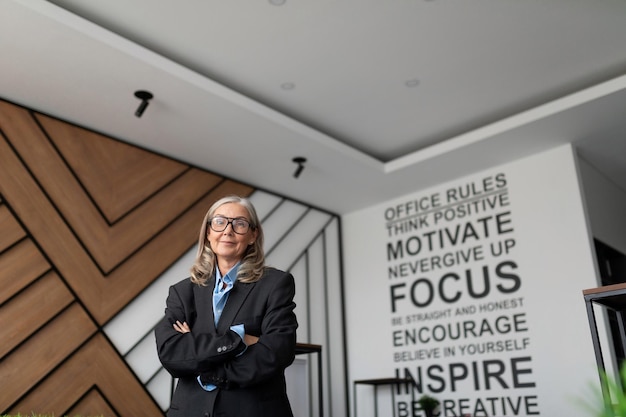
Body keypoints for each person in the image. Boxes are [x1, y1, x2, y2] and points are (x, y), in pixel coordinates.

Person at [155, 195, 298, 417]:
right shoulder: (182, 292)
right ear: (208, 232)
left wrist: (205, 368)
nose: (228, 231)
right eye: (219, 222)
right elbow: (172, 354)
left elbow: (276, 352)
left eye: (239, 224)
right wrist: (239, 339)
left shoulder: (275, 284)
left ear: (253, 235)